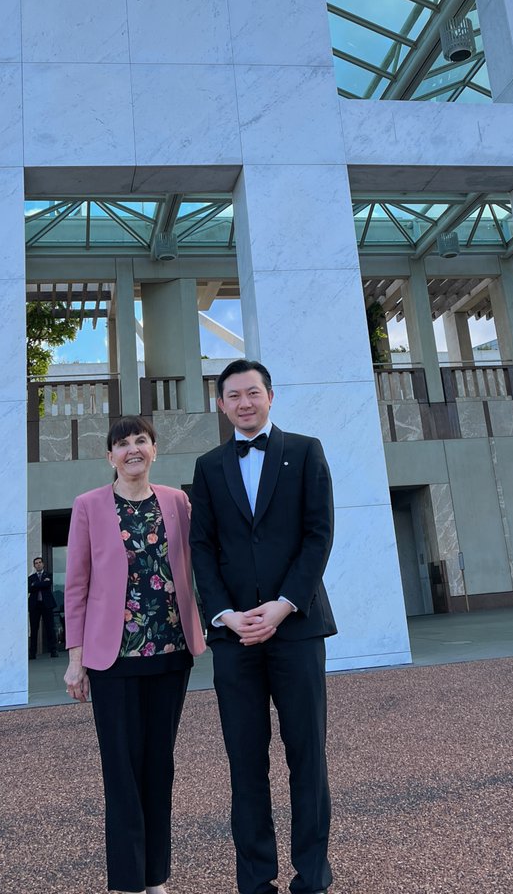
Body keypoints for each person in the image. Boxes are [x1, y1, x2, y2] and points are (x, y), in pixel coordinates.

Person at [190, 360, 336, 894]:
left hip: (296, 628)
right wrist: (225, 614)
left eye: (253, 392)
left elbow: (318, 535)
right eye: (234, 395)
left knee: (307, 754)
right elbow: (201, 547)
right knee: (244, 761)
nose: (244, 402)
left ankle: (313, 876)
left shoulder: (305, 451)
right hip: (234, 637)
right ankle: (254, 880)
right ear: (222, 405)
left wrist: (283, 605)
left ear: (270, 396)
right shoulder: (208, 466)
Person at [63, 415, 206, 894]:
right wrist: (75, 657)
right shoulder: (88, 507)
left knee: (159, 767)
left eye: (140, 440)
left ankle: (156, 877)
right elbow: (77, 586)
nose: (132, 450)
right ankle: (127, 882)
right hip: (112, 660)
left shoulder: (178, 502)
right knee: (121, 770)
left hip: (170, 651)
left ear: (154, 449)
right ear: (110, 457)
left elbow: (199, 562)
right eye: (122, 444)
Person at [28, 556, 59, 659]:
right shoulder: (30, 578)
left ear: (43, 564)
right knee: (34, 629)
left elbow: (47, 584)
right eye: (36, 563)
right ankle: (32, 653)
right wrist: (40, 584)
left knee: (50, 628)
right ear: (34, 565)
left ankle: (53, 651)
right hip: (35, 606)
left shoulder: (48, 574)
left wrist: (36, 584)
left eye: (40, 562)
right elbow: (30, 588)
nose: (38, 564)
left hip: (46, 605)